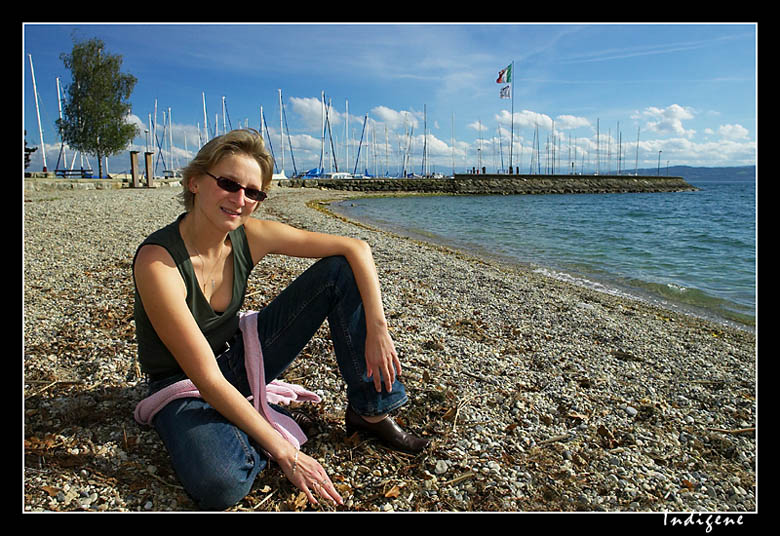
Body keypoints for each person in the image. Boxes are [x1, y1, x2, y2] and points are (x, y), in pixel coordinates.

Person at [132, 128, 429, 510]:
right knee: (220, 485)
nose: (240, 200)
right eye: (228, 183)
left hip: (235, 357)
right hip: (180, 382)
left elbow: (356, 248)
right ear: (194, 182)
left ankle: (369, 412)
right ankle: (248, 426)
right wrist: (287, 454)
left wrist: (378, 328)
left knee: (338, 271)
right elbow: (205, 379)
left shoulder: (248, 235)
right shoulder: (158, 262)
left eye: (253, 192)